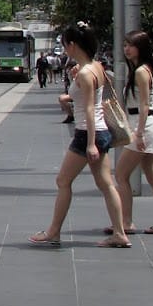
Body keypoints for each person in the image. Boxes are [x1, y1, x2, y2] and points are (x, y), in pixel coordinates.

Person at [31, 21, 130, 248]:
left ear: (73, 45)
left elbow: (88, 108)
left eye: (66, 45)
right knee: (106, 183)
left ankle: (54, 231)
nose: (65, 49)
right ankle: (120, 232)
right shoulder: (96, 68)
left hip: (88, 132)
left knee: (63, 180)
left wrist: (91, 144)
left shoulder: (86, 73)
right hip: (100, 129)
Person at [113, 30, 153, 236]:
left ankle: (126, 221)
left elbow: (142, 106)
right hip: (149, 127)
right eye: (125, 45)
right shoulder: (146, 70)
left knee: (121, 175)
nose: (126, 49)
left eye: (130, 45)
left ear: (141, 47)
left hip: (143, 127)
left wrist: (138, 134)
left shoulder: (141, 71)